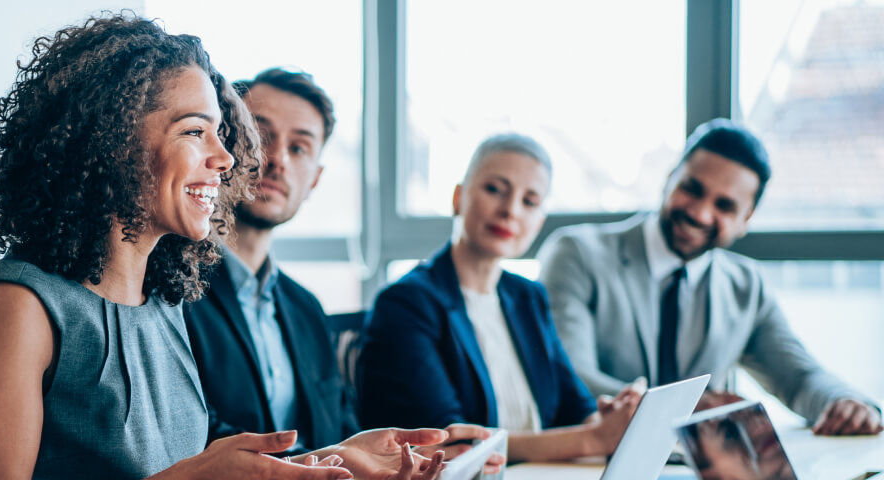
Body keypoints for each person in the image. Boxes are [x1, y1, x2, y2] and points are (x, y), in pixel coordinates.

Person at [0, 14, 453, 480]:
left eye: (220, 133)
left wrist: (335, 458)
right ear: (111, 140)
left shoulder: (164, 303)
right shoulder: (19, 307)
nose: (225, 158)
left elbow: (211, 469)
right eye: (195, 131)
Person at [182, 67, 501, 472]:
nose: (277, 159)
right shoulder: (175, 289)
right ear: (226, 146)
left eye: (299, 148)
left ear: (314, 180)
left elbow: (340, 433)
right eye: (261, 136)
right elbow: (190, 440)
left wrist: (399, 461)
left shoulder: (306, 309)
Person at [537, 119, 882, 436]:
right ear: (670, 178)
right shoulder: (577, 254)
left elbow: (799, 379)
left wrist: (848, 403)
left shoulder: (746, 286)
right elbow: (571, 376)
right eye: (693, 189)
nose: (700, 213)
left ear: (746, 219)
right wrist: (686, 407)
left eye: (725, 206)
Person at [357, 134, 644, 462]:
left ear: (539, 222)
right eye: (495, 190)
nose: (510, 210)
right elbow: (452, 444)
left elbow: (575, 405)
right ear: (458, 197)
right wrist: (594, 440)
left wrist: (610, 421)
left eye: (530, 201)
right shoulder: (406, 302)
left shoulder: (528, 296)